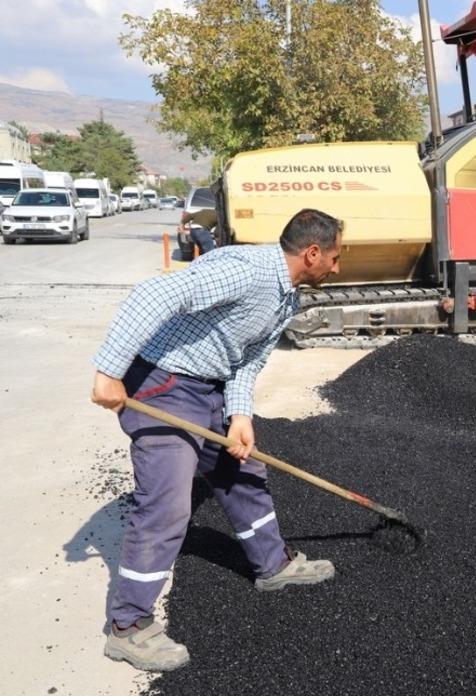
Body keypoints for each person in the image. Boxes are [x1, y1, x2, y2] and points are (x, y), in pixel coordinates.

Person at [89, 208, 343, 672]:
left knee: (243, 471)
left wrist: (239, 414)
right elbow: (153, 293)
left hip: (209, 387)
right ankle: (128, 626)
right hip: (164, 385)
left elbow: (247, 359)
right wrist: (109, 371)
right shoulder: (246, 272)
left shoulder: (289, 296)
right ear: (311, 253)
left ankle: (274, 566)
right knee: (167, 504)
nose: (336, 267)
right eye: (334, 258)